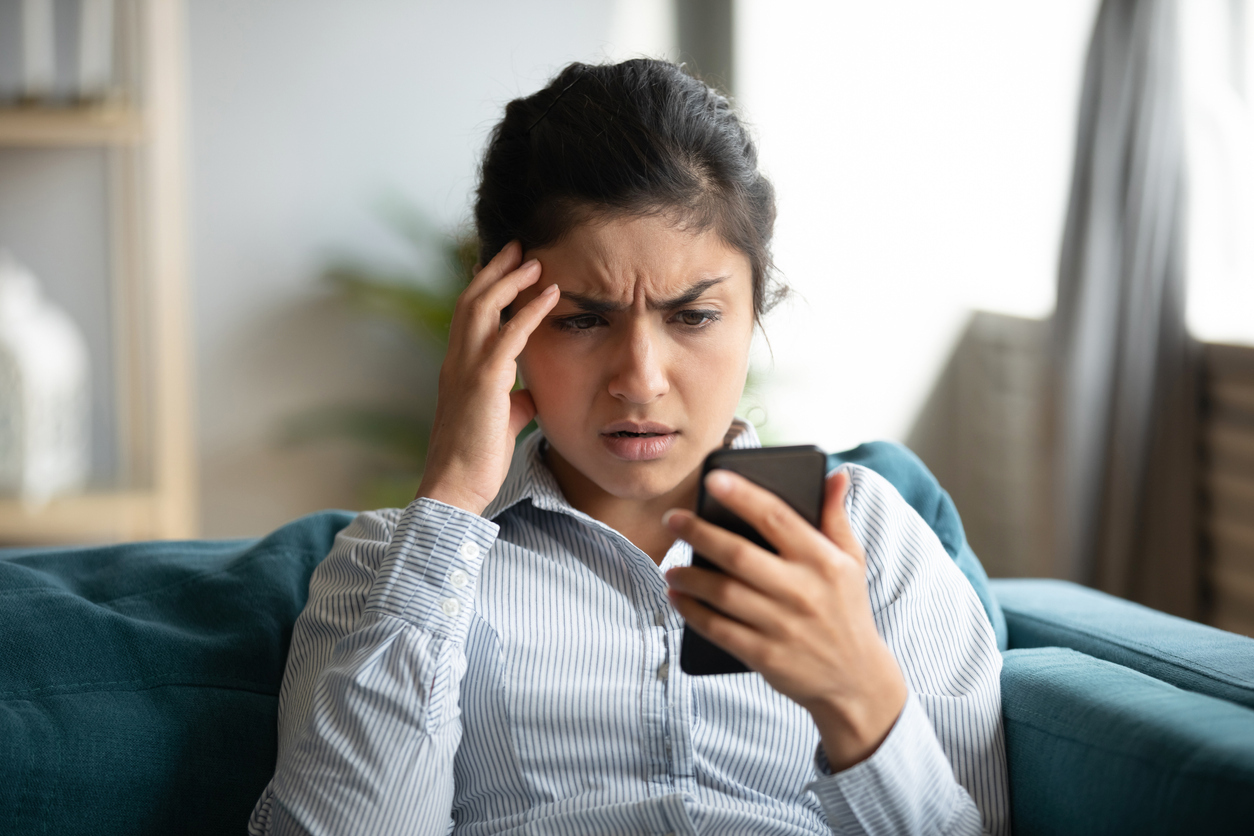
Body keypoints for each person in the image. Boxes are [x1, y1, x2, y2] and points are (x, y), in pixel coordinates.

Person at [249, 59, 1009, 836]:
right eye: (582, 320)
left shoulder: (876, 547)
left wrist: (860, 697)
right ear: (498, 321)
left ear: (755, 311)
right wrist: (448, 502)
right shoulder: (388, 570)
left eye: (694, 317)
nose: (640, 381)